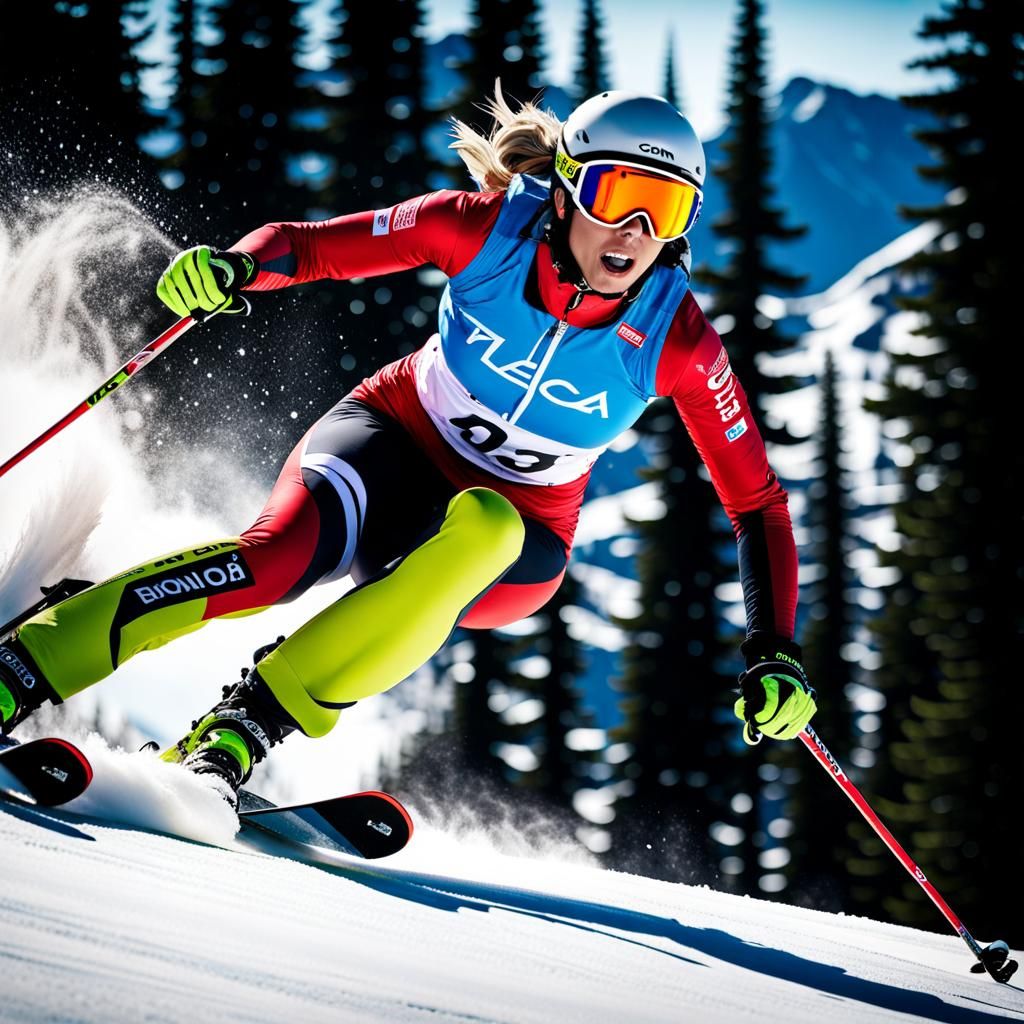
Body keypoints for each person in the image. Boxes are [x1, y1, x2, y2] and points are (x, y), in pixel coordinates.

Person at [0, 88, 816, 805]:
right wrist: (232, 270)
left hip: (515, 535)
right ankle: (23, 666)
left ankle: (239, 735)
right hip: (388, 441)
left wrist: (775, 650)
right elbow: (309, 244)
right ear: (566, 187)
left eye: (665, 212)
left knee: (487, 526)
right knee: (274, 562)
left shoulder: (675, 340)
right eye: (616, 194)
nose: (634, 232)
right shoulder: (484, 231)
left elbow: (757, 504)